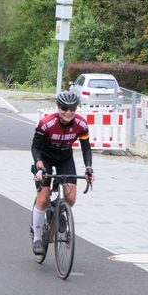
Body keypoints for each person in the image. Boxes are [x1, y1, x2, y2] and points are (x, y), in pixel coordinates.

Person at [30, 90, 94, 255]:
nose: (68, 112)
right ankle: (37, 237)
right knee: (43, 200)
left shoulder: (81, 124)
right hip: (45, 158)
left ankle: (58, 210)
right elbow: (35, 147)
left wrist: (88, 168)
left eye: (72, 108)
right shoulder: (46, 123)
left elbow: (86, 147)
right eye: (64, 108)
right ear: (58, 107)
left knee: (71, 198)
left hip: (65, 158)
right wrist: (39, 167)